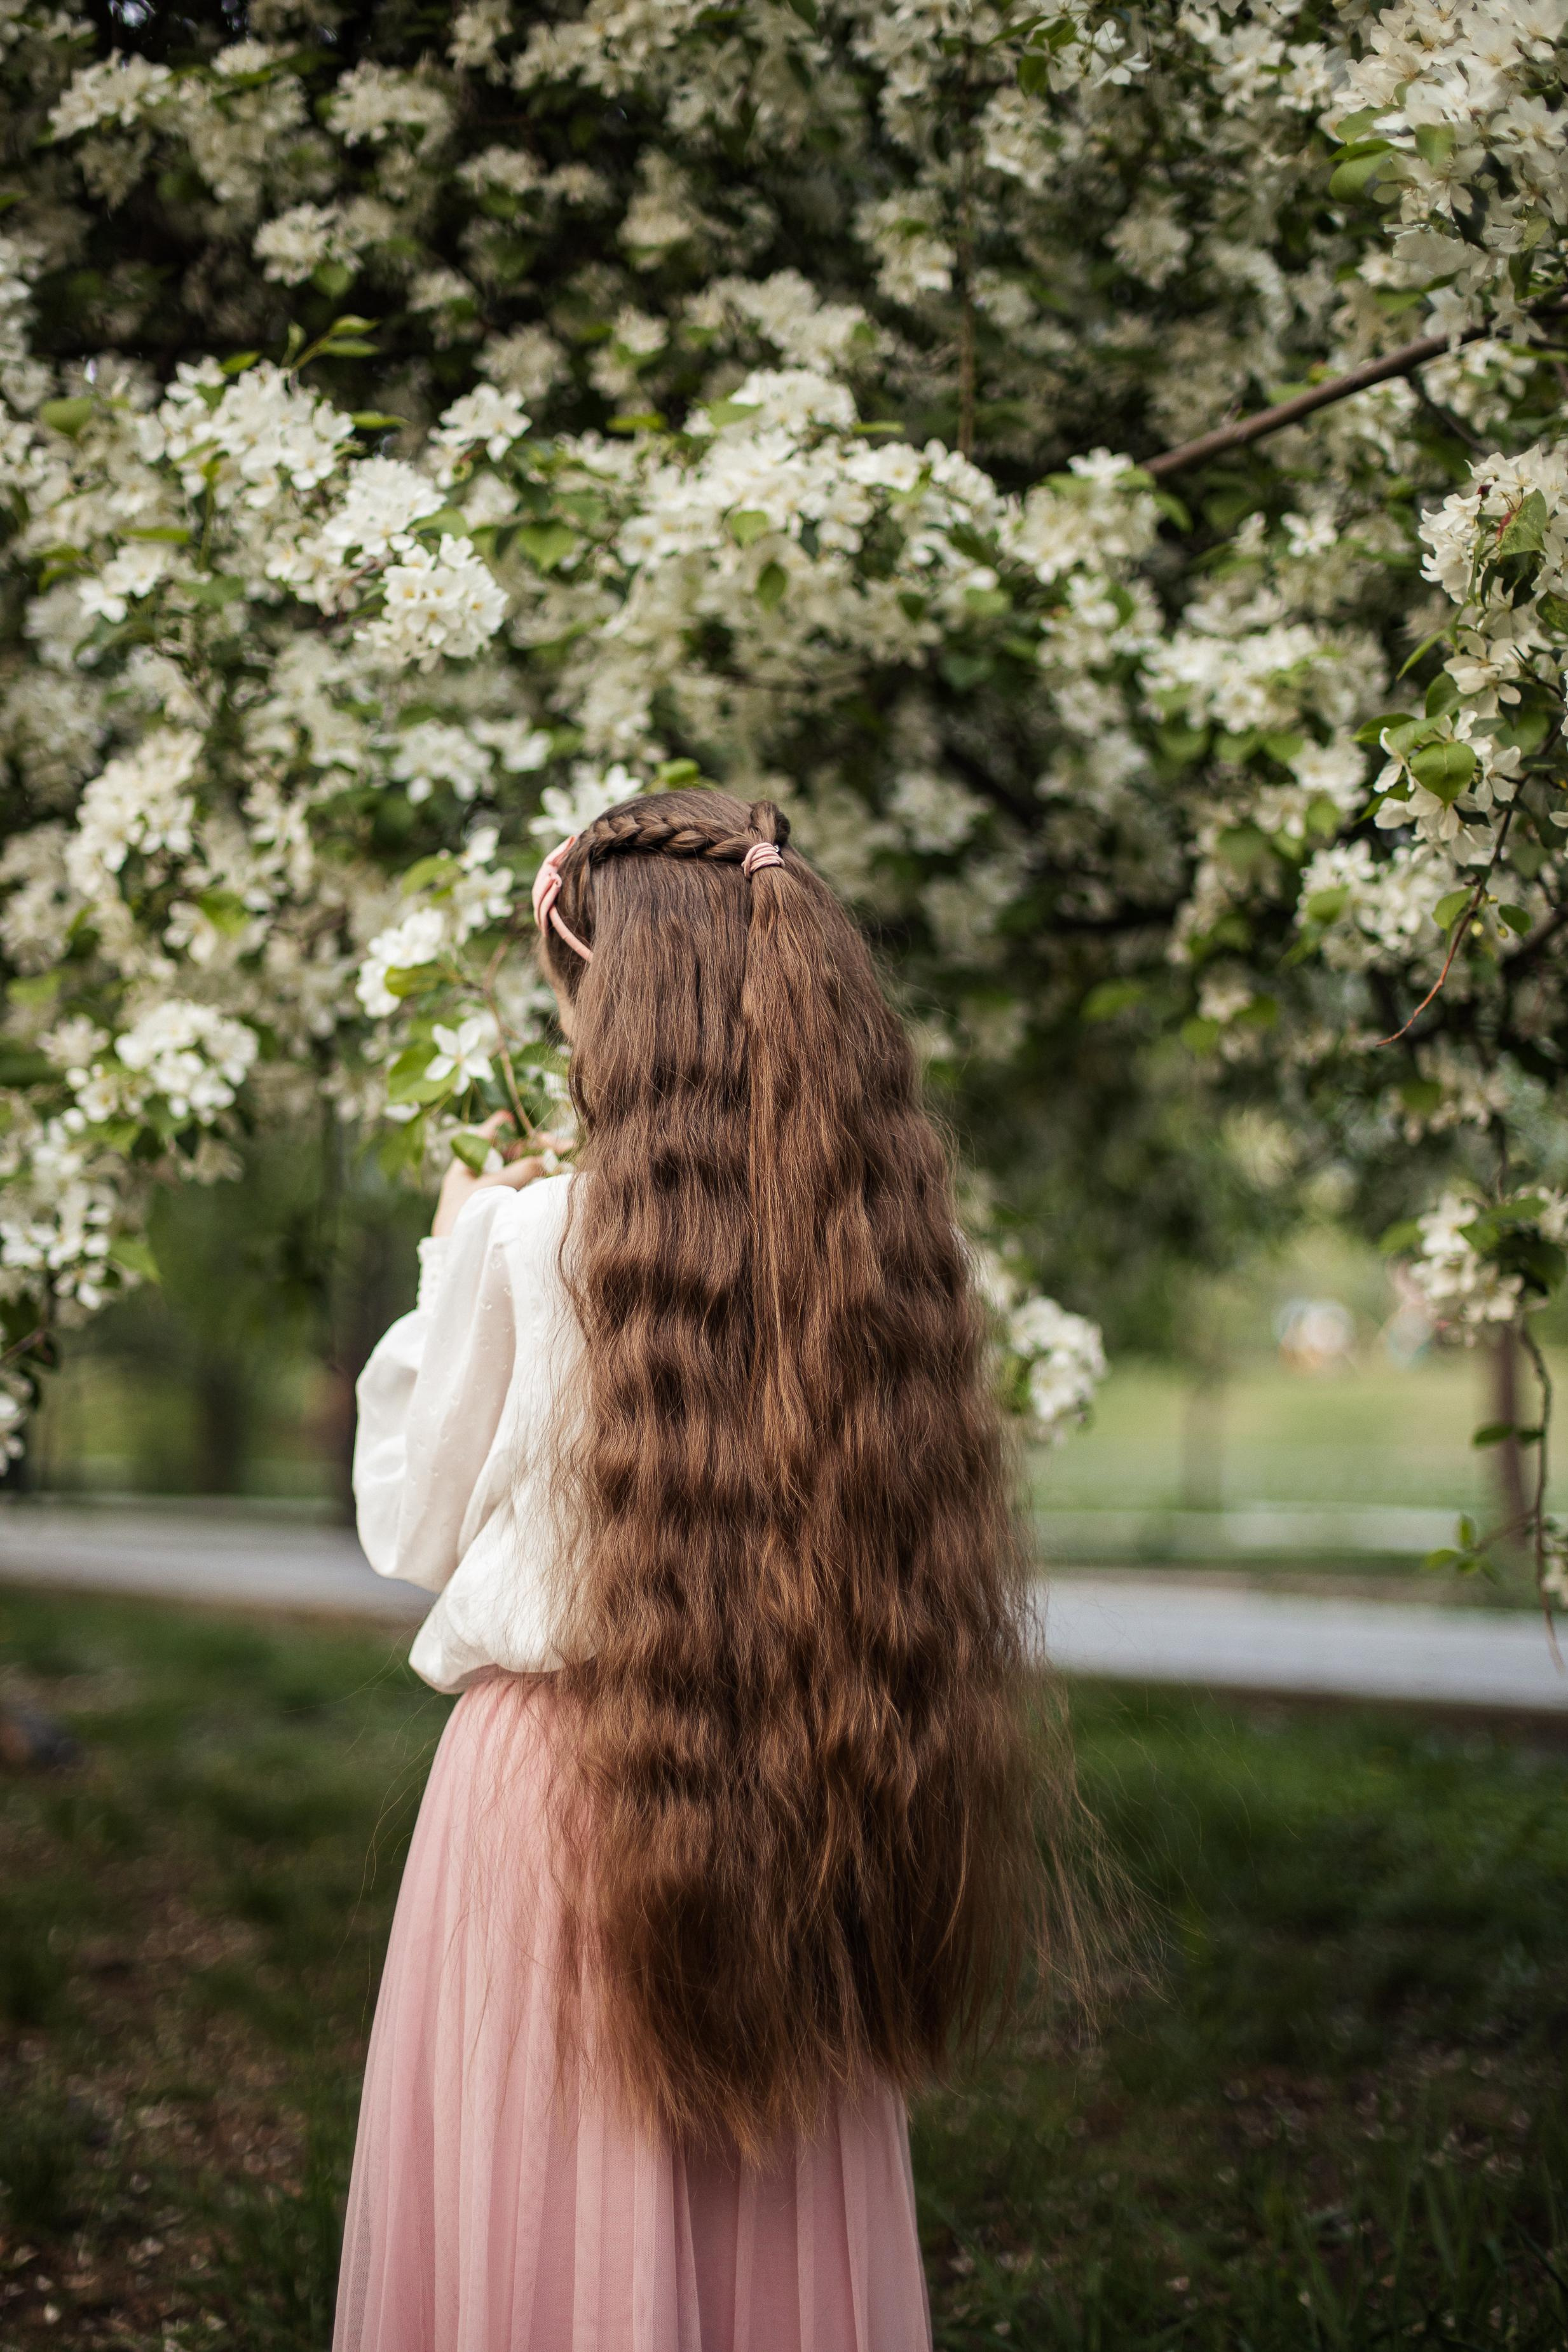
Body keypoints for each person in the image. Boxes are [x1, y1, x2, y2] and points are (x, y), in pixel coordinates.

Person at [335, 790, 1055, 2351]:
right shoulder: (869, 1242)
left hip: (548, 1802)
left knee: (548, 2204)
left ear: (616, 1002)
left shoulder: (533, 1235)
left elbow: (408, 1522)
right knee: (764, 2196)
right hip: (802, 1761)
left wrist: (447, 1247)